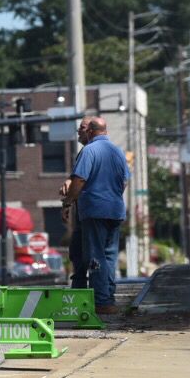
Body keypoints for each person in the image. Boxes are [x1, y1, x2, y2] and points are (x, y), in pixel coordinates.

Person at [59, 115, 126, 312]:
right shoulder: (118, 152)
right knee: (109, 255)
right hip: (115, 210)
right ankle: (107, 296)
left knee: (95, 256)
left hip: (94, 210)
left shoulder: (89, 151)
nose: (79, 132)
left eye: (82, 128)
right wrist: (111, 196)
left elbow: (79, 180)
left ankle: (101, 301)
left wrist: (68, 202)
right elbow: (124, 182)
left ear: (90, 130)